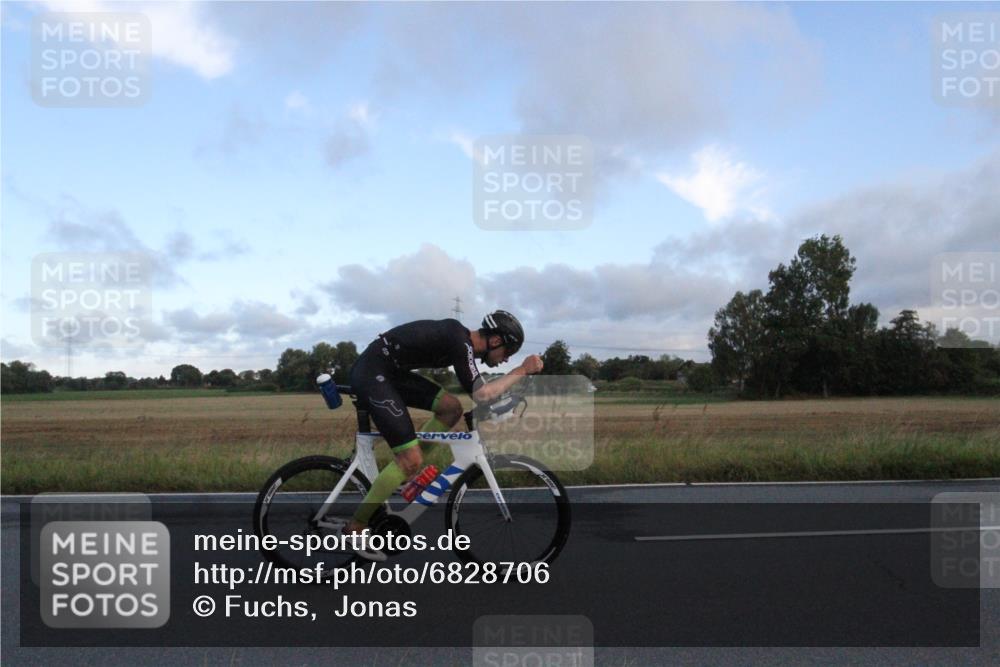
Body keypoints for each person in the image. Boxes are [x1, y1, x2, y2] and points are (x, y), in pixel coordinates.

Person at [345, 310, 543, 560]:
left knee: (451, 409)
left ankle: (411, 474)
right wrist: (522, 370)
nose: (505, 360)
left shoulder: (461, 343)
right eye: (508, 353)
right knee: (409, 459)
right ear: (495, 341)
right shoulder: (459, 341)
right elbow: (481, 393)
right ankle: (356, 526)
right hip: (373, 373)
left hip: (390, 372)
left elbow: (481, 392)